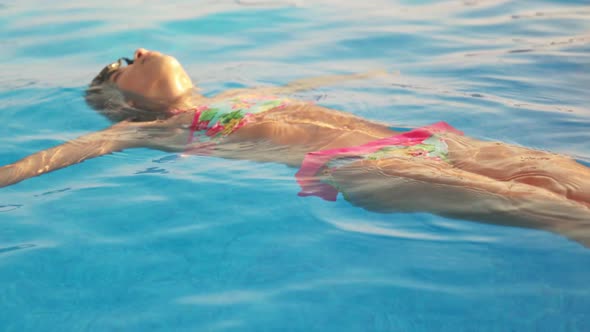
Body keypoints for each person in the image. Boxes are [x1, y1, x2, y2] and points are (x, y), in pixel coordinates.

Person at [1, 48, 589, 246]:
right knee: (563, 213)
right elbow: (42, 161)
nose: (138, 50)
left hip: (419, 144)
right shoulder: (145, 130)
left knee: (574, 178)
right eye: (120, 64)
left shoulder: (246, 91)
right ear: (122, 101)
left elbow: (315, 87)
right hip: (366, 166)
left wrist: (375, 75)